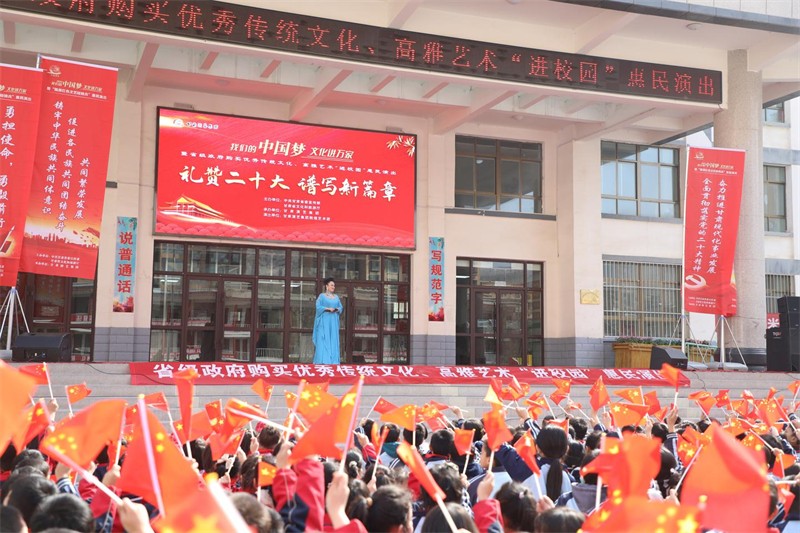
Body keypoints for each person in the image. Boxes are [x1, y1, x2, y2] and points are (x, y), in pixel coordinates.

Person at [313, 277, 343, 364]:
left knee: (333, 339)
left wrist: (336, 309)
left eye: (334, 285)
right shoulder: (322, 296)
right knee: (322, 339)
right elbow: (318, 307)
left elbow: (341, 307)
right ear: (327, 286)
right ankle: (322, 361)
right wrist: (327, 308)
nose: (333, 287)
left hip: (333, 321)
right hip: (324, 321)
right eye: (331, 285)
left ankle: (333, 361)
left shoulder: (336, 297)